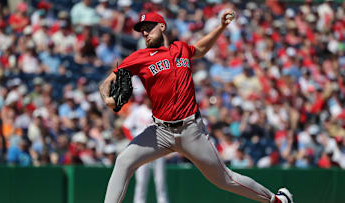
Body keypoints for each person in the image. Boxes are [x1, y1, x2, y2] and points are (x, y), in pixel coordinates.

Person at [99, 10, 293, 203]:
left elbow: (200, 49)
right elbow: (106, 83)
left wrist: (221, 27)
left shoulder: (180, 48)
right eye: (142, 30)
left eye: (149, 28)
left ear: (162, 26)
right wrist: (107, 98)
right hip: (160, 131)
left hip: (191, 130)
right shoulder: (140, 57)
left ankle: (276, 200)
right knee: (124, 161)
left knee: (225, 179)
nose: (145, 33)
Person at [122, 96, 169, 203]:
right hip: (142, 150)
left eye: (150, 97)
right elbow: (125, 127)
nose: (149, 99)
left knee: (160, 182)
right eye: (147, 97)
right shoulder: (138, 111)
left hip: (159, 149)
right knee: (141, 181)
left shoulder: (161, 110)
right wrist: (134, 140)